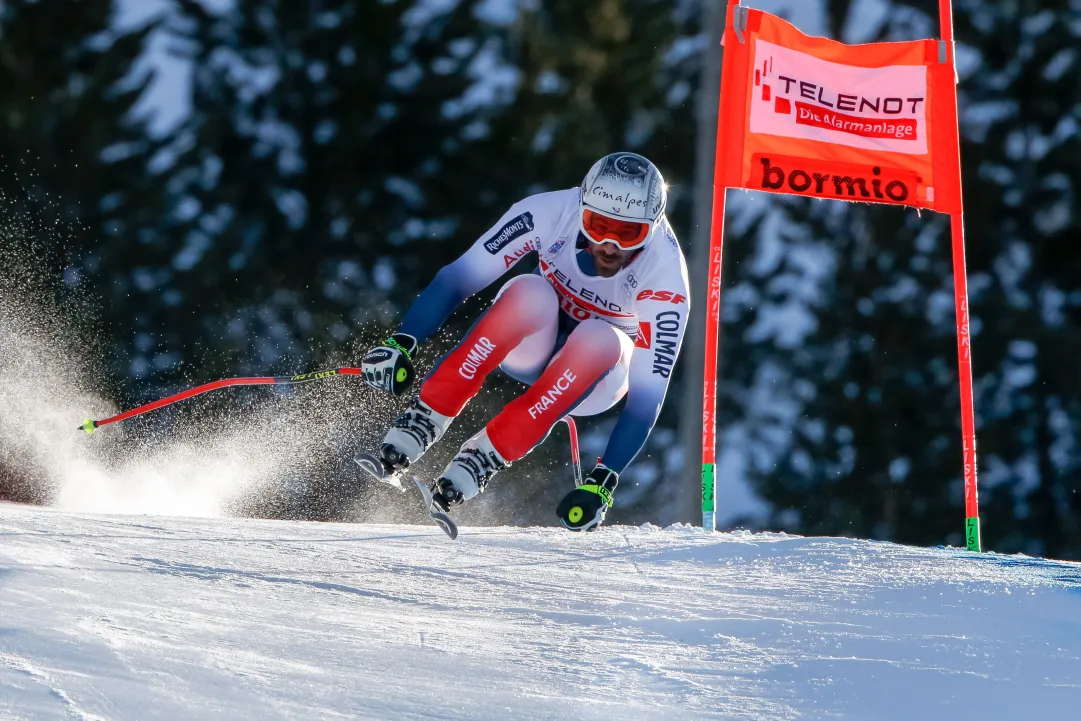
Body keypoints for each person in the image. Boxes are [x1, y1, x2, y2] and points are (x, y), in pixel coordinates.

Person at [358, 152, 689, 531]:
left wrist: (604, 480)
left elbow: (646, 400)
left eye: (629, 233)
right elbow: (460, 277)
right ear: (581, 208)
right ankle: (426, 415)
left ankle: (488, 454)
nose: (609, 244)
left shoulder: (666, 281)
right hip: (531, 344)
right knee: (529, 292)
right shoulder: (548, 212)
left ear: (652, 226)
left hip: (597, 378)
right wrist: (403, 341)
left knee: (600, 338)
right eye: (598, 225)